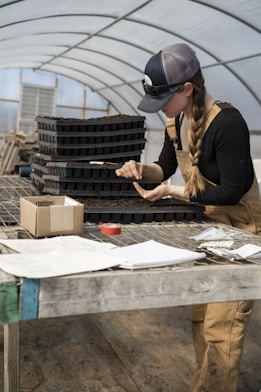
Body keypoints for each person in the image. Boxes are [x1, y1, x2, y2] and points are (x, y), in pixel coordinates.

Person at [115, 43, 261, 392]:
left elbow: (230, 192)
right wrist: (140, 169)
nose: (160, 109)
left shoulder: (228, 123)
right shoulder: (176, 119)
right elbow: (163, 168)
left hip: (243, 234)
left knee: (221, 330)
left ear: (187, 89)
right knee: (201, 317)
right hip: (209, 230)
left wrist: (171, 191)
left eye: (164, 99)